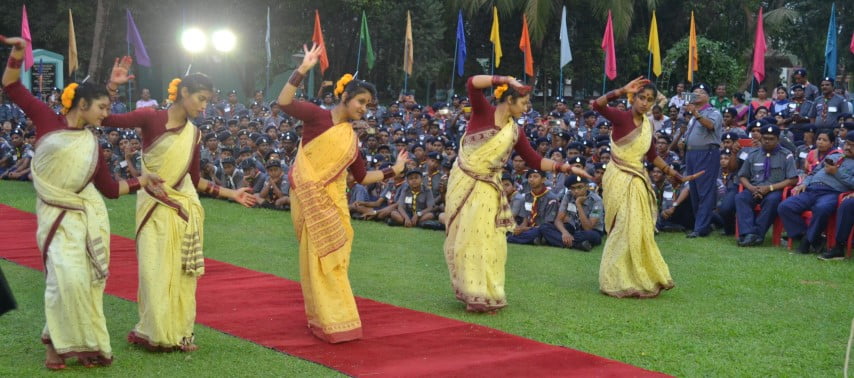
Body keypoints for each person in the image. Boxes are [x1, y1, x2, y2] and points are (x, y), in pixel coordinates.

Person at [2, 37, 164, 369]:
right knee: (64, 279)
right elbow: (12, 87)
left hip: (85, 218)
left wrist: (141, 181)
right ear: (83, 105)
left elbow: (107, 188)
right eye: (102, 108)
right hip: (54, 215)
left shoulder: (91, 144)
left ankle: (86, 345)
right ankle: (54, 345)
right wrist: (18, 53)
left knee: (86, 281)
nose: (107, 114)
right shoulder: (48, 120)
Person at [104, 68, 257, 351]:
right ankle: (156, 332)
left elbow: (195, 179)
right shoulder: (150, 118)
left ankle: (182, 333)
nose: (204, 106)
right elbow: (106, 118)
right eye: (201, 98)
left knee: (183, 275)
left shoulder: (194, 134)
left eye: (208, 101)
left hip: (184, 209)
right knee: (153, 272)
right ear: (184, 93)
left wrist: (231, 193)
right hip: (153, 206)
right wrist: (112, 86)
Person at [276, 43, 408, 343]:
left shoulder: (351, 139)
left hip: (334, 205)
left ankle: (337, 318)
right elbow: (283, 102)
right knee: (316, 258)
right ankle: (326, 319)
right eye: (361, 101)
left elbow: (361, 177)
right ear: (345, 96)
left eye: (368, 105)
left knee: (335, 259)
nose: (364, 108)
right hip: (310, 200)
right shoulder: (316, 116)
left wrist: (394, 170)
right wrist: (303, 69)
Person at [443, 73, 589, 312]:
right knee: (467, 237)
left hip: (489, 189)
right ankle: (473, 292)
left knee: (491, 240)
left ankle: (488, 292)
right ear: (509, 100)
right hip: (465, 182)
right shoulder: (483, 112)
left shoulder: (515, 132)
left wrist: (566, 167)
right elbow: (471, 83)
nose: (526, 107)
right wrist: (501, 79)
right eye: (523, 103)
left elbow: (534, 159)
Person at [592, 76, 701, 298]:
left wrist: (673, 173)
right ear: (634, 98)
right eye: (641, 98)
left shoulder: (647, 125)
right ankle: (613, 277)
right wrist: (621, 90)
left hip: (638, 179)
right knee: (623, 224)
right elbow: (597, 105)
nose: (645, 103)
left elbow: (652, 156)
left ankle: (634, 276)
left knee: (639, 227)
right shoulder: (621, 117)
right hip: (618, 177)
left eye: (649, 100)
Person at [778, 133, 853, 254]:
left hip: (832, 192)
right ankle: (812, 238)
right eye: (847, 144)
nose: (848, 147)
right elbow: (813, 173)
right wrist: (804, 184)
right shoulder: (835, 156)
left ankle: (806, 243)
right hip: (811, 190)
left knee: (821, 209)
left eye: (852, 145)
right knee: (785, 206)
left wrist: (836, 172)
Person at [735, 125, 799, 247]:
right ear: (761, 139)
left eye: (771, 138)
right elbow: (742, 176)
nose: (767, 141)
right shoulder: (753, 154)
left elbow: (793, 179)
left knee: (773, 200)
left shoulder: (786, 155)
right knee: (741, 198)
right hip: (754, 188)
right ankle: (747, 233)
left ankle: (757, 234)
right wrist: (751, 188)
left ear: (778, 140)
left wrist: (769, 188)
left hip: (774, 190)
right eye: (765, 138)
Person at [682, 83, 724, 238]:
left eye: (701, 92)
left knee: (705, 190)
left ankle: (700, 228)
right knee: (694, 190)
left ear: (708, 96)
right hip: (691, 154)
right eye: (694, 92)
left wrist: (697, 115)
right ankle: (704, 223)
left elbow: (711, 126)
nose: (697, 94)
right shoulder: (692, 114)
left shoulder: (713, 112)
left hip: (707, 153)